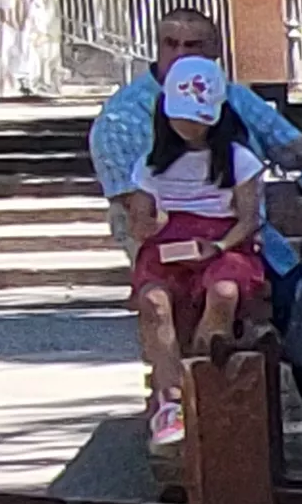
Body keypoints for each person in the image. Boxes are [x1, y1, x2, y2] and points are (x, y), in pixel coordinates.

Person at [89, 6, 302, 214]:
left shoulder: (236, 96)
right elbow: (130, 203)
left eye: (192, 45)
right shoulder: (122, 116)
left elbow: (289, 147)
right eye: (171, 44)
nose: (180, 54)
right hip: (165, 239)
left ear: (214, 52)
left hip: (243, 237)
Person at [118, 58, 275, 448]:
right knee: (154, 300)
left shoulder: (239, 161)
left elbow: (249, 217)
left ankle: (202, 380)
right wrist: (148, 225)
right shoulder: (150, 166)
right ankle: (170, 400)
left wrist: (218, 246)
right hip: (167, 245)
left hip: (225, 241)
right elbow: (140, 221)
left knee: (223, 292)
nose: (190, 127)